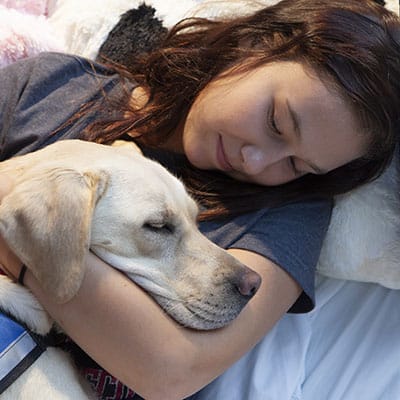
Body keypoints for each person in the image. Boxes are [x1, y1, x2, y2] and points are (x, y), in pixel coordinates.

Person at [0, 0, 399, 399]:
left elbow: (172, 369)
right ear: (254, 48)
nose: (255, 161)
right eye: (275, 122)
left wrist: (21, 229)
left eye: (298, 164)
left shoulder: (287, 214)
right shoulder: (51, 88)